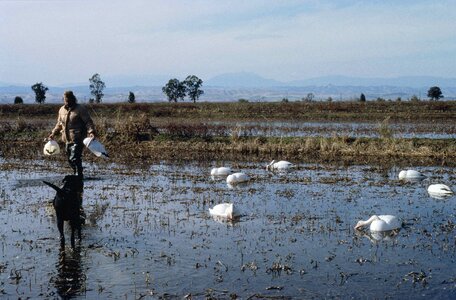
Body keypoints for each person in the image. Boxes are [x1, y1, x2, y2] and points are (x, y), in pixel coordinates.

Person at [48, 90, 96, 179]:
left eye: (68, 99)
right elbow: (59, 124)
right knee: (70, 159)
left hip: (78, 138)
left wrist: (91, 132)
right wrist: (53, 133)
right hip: (66, 139)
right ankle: (76, 174)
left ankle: (79, 176)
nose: (67, 101)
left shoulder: (80, 109)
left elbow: (88, 122)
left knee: (75, 157)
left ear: (73, 99)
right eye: (65, 99)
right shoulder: (61, 110)